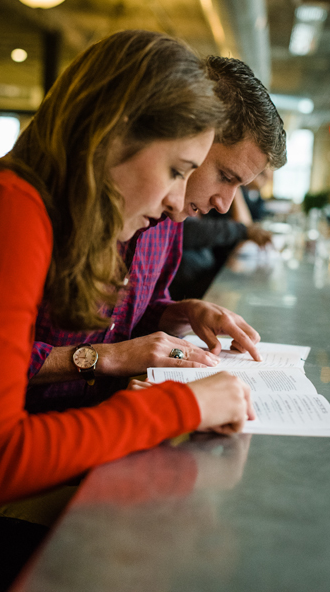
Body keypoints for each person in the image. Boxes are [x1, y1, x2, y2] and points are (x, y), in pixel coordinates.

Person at [0, 31, 254, 589]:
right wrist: (179, 406)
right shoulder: (4, 210)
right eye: (178, 170)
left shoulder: (33, 208)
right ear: (113, 135)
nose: (173, 204)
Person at [23, 56, 287, 412]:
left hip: (102, 425)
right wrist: (106, 358)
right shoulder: (33, 212)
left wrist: (181, 312)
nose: (225, 205)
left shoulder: (169, 221)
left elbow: (131, 315)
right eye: (225, 176)